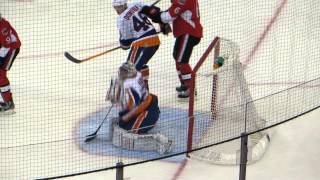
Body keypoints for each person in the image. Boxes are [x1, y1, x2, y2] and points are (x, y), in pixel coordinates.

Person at [141, 0, 203, 98]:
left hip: (189, 32)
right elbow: (172, 13)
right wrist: (159, 17)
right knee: (177, 56)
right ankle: (184, 84)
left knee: (181, 60)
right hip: (185, 32)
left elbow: (168, 16)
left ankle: (189, 88)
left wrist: (152, 13)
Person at [106, 62, 172, 154]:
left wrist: (127, 117)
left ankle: (161, 142)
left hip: (148, 111)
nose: (121, 74)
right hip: (145, 104)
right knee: (123, 123)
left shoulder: (132, 86)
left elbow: (139, 106)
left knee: (131, 130)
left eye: (123, 72)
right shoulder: (133, 77)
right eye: (121, 71)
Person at [112, 0, 170, 89]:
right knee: (141, 65)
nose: (117, 10)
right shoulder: (136, 3)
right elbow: (152, 11)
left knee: (128, 70)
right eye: (115, 8)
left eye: (117, 7)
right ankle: (144, 92)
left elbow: (126, 44)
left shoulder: (121, 20)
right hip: (154, 40)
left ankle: (137, 96)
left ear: (123, 5)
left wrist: (122, 44)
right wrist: (162, 23)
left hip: (142, 44)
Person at [0, 14, 21, 113]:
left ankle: (9, 104)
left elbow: (6, 46)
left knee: (1, 75)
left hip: (12, 49)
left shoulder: (3, 26)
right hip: (3, 48)